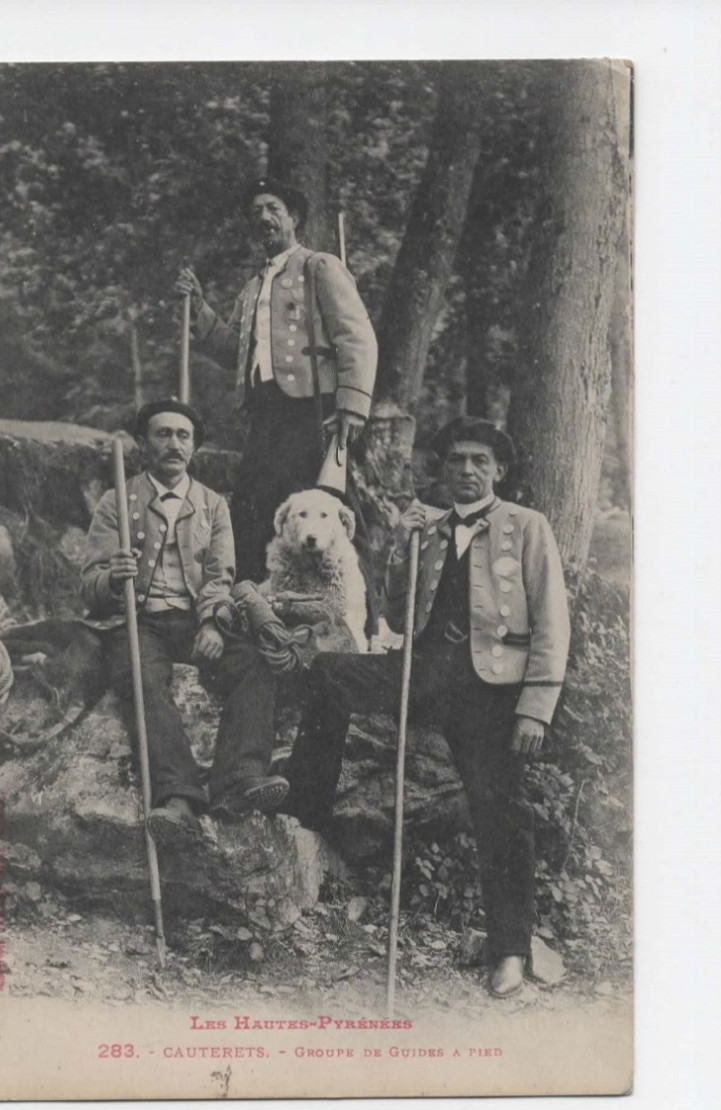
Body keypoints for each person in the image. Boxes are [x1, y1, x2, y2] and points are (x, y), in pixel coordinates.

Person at [281, 416, 570, 998]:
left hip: (490, 689)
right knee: (330, 674)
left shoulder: (527, 526)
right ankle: (302, 809)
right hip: (421, 672)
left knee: (501, 808)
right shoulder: (429, 528)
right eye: (456, 460)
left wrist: (536, 705)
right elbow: (395, 611)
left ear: (499, 471)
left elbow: (551, 620)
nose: (466, 470)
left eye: (479, 461)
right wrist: (399, 544)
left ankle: (510, 949)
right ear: (442, 469)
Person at [80, 398, 288, 841]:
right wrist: (113, 581)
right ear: (142, 443)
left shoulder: (212, 505)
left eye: (183, 436)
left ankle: (240, 780)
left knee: (256, 662)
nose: (174, 444)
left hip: (194, 621)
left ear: (194, 447)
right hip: (140, 621)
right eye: (163, 434)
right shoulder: (118, 501)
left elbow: (220, 577)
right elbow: (89, 585)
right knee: (140, 676)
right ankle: (178, 797)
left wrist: (212, 622)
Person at [175, 177, 378, 582]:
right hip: (264, 412)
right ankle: (254, 601)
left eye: (273, 209)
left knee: (326, 505)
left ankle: (361, 614)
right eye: (256, 213)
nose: (264, 218)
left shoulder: (318, 266)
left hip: (311, 408)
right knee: (255, 504)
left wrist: (351, 405)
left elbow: (356, 335)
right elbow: (233, 351)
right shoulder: (252, 288)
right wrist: (198, 310)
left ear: (293, 218)